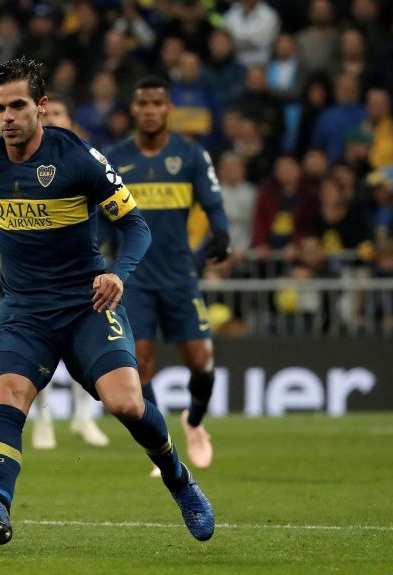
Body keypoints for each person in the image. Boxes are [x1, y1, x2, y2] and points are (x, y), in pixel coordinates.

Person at [0, 57, 214, 546]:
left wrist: (118, 274)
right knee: (6, 394)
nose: (7, 117)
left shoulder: (78, 159)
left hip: (86, 305)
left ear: (42, 107)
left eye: (17, 106)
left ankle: (180, 482)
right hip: (25, 309)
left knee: (127, 404)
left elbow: (136, 226)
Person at [105, 76, 231, 476]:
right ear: (134, 110)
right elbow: (96, 214)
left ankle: (193, 422)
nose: (150, 110)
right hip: (133, 278)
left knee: (202, 363)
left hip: (179, 275)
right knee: (140, 364)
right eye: (143, 103)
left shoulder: (191, 156)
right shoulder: (113, 158)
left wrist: (222, 233)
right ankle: (166, 448)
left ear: (168, 109)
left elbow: (213, 203)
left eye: (157, 103)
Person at [30, 95, 110, 450]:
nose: (54, 118)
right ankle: (43, 421)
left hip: (78, 272)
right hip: (32, 274)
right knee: (37, 351)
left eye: (61, 113)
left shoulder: (86, 160)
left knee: (82, 350)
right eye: (49, 114)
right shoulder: (17, 158)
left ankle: (82, 417)